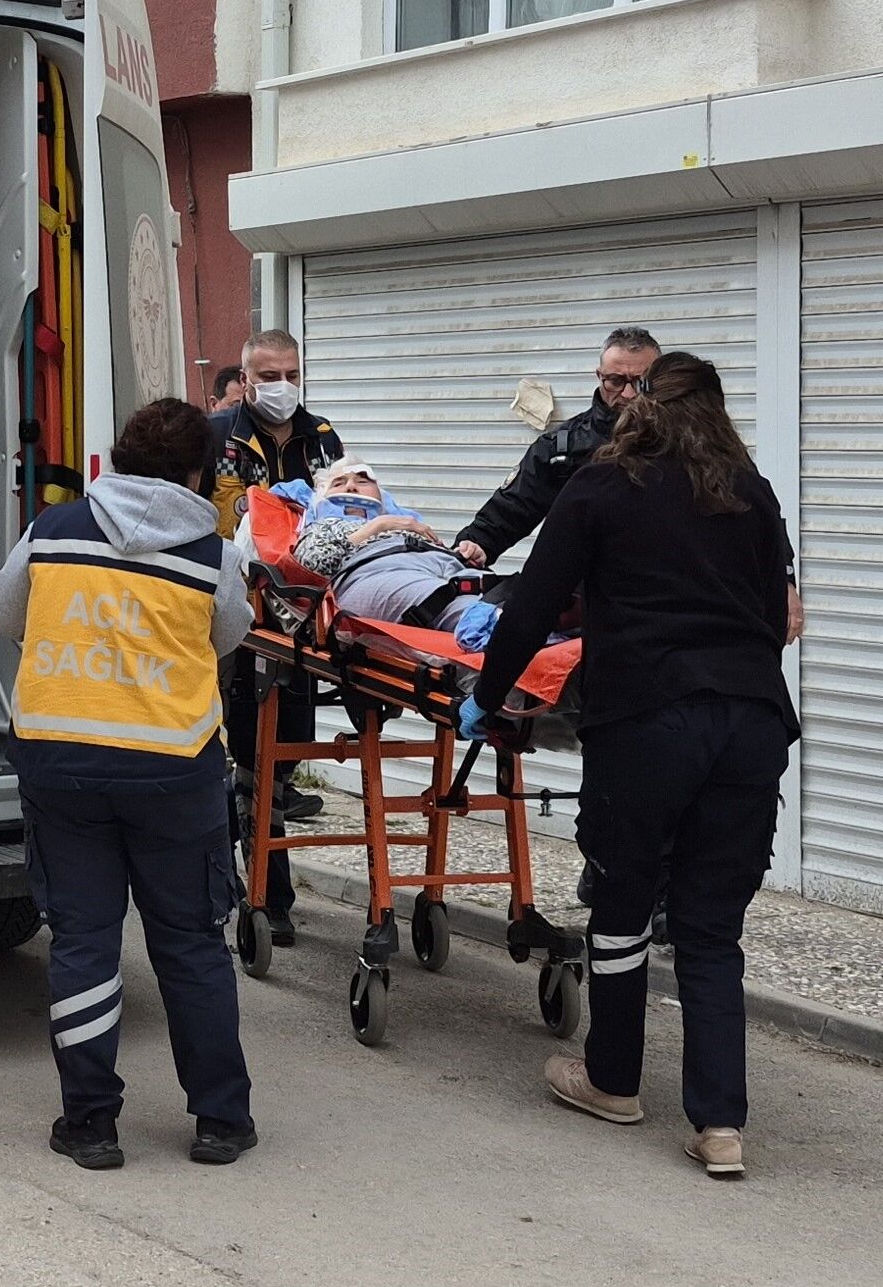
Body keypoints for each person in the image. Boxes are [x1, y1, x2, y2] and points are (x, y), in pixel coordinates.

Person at [469, 352, 803, 1182]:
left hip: (649, 720)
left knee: (623, 900)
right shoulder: (750, 491)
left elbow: (535, 602)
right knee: (710, 924)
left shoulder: (603, 484)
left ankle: (613, 1081)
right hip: (751, 720)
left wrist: (488, 694)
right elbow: (776, 616)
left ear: (639, 404)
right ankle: (721, 1124)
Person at [0, 397, 259, 1171]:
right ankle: (219, 1121)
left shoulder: (52, 531)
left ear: (116, 459)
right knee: (190, 947)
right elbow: (228, 636)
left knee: (83, 944)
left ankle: (92, 1125)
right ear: (198, 472)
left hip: (62, 767)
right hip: (175, 774)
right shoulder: (212, 556)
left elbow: (7, 613)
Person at [207, 332, 345, 896]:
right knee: (227, 744)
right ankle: (242, 881)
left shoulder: (322, 439)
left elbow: (341, 512)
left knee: (280, 749)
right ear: (245, 379)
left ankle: (265, 863)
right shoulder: (217, 436)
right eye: (268, 377)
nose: (281, 387)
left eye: (290, 374)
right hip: (225, 606)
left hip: (295, 615)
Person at [452, 328, 663, 571]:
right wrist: (475, 545)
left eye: (640, 382)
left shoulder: (691, 442)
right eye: (615, 381)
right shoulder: (561, 449)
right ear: (599, 376)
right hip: (588, 596)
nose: (629, 393)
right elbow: (512, 509)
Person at [287, 458, 476, 627]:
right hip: (372, 572)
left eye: (362, 481)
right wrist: (379, 525)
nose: (352, 487)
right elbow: (313, 563)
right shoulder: (322, 526)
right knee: (459, 608)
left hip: (435, 566)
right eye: (338, 483)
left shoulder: (406, 523)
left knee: (499, 594)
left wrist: (466, 553)